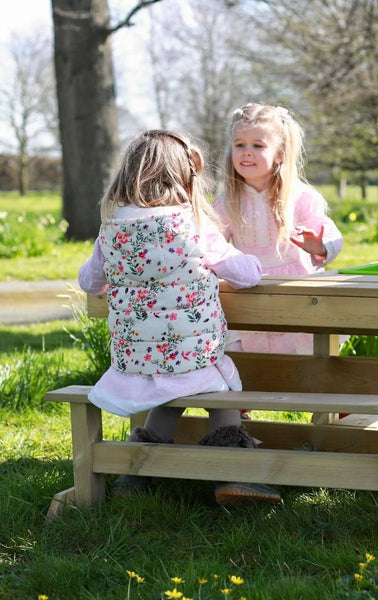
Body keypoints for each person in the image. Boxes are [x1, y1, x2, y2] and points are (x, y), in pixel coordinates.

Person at [78, 129, 280, 505]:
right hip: (195, 353)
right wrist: (251, 259)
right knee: (219, 388)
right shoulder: (194, 225)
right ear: (186, 175)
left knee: (169, 387)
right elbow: (246, 274)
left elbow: (90, 282)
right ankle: (233, 473)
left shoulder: (113, 228)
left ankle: (136, 476)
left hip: (136, 360)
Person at [214, 103, 343, 358]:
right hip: (247, 290)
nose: (246, 152)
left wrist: (320, 246)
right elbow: (211, 240)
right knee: (252, 357)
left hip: (294, 288)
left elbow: (329, 231)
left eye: (258, 146)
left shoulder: (300, 197)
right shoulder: (227, 202)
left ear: (280, 153)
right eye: (240, 145)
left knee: (299, 355)